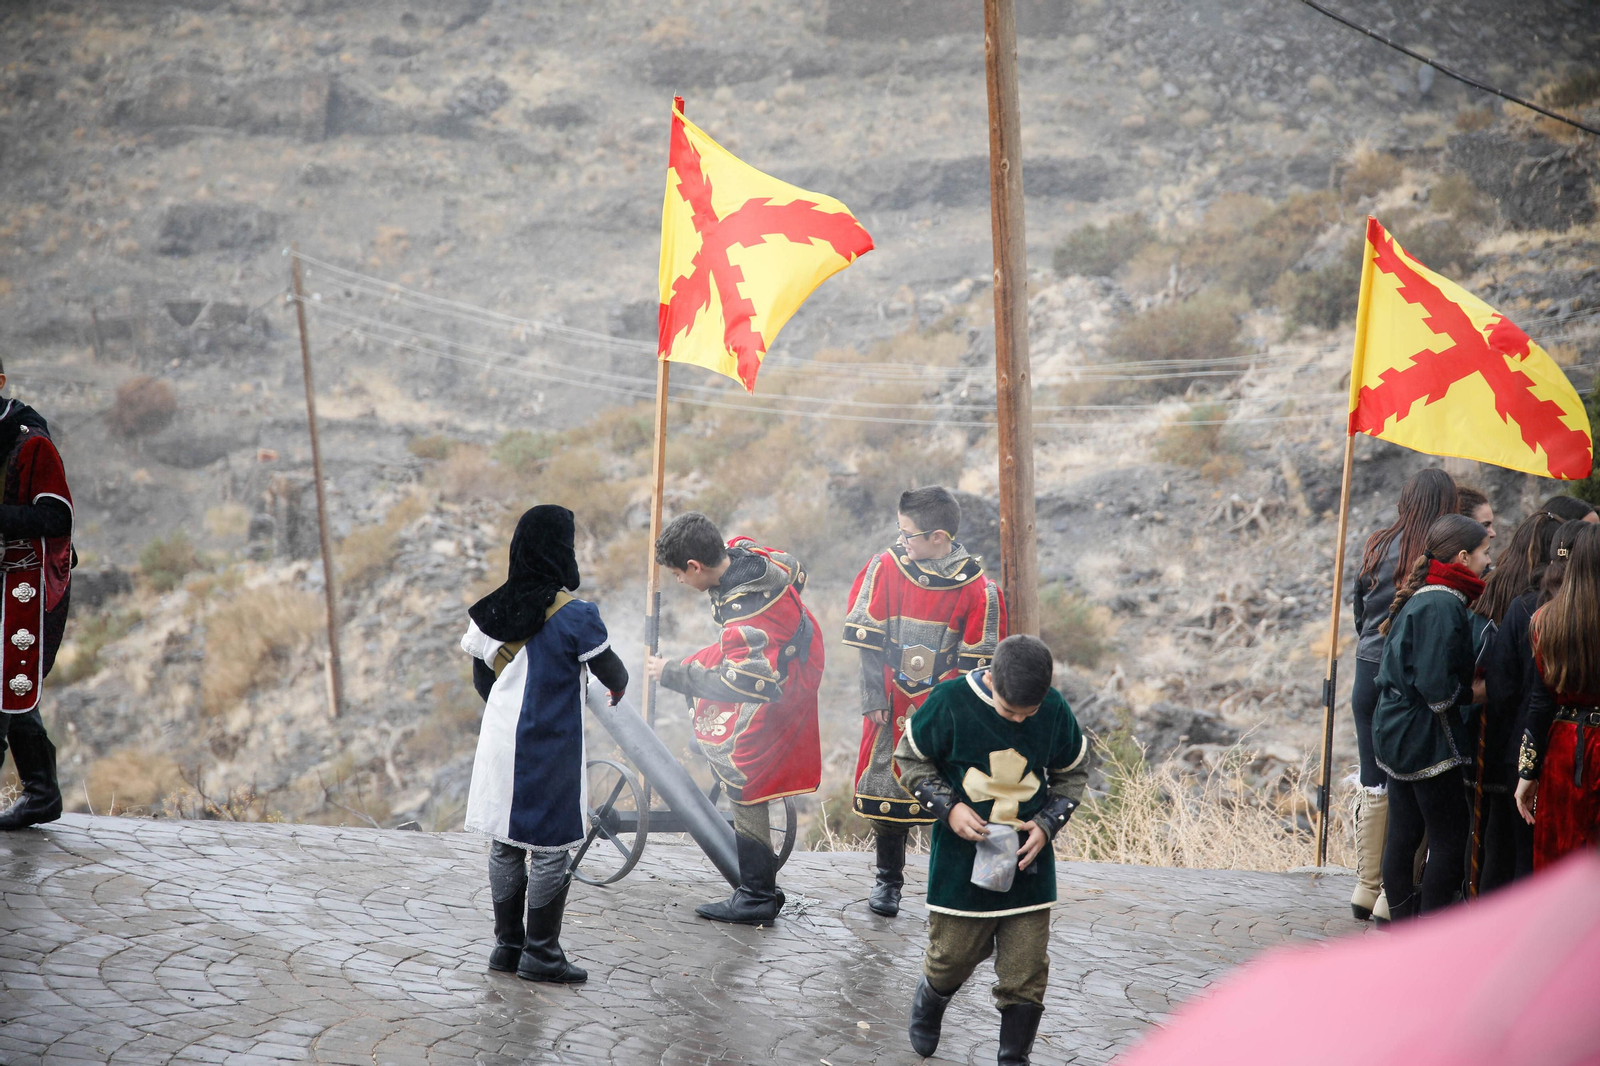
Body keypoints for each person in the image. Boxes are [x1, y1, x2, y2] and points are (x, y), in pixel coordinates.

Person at [895, 634, 1088, 1066]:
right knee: (951, 957)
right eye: (1008, 711)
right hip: (962, 858)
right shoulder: (948, 701)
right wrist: (949, 808)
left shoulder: (1053, 708)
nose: (1019, 720)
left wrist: (1046, 823)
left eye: (1029, 713)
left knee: (1026, 971)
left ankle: (1013, 1058)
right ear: (992, 681)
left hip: (1027, 862)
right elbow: (909, 760)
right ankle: (931, 998)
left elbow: (1072, 773)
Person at [461, 505, 629, 984]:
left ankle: (506, 948)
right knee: (551, 847)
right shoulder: (578, 616)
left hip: (499, 743)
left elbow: (482, 680)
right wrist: (618, 689)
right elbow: (612, 673)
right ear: (561, 552)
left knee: (506, 842)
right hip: (550, 747)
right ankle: (542, 954)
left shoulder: (489, 610)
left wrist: (510, 707)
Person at [646, 511, 824, 925]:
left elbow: (747, 685)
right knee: (697, 669)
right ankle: (704, 739)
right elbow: (794, 570)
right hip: (771, 646)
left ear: (695, 566)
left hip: (786, 674)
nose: (678, 582)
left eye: (677, 574)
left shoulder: (746, 617)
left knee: (742, 768)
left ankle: (757, 896)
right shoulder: (744, 550)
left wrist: (671, 674)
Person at [843, 486, 1006, 917]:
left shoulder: (979, 589)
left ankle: (949, 885)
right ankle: (888, 881)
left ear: (939, 537)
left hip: (945, 705)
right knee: (888, 785)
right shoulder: (885, 569)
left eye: (909, 534)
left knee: (951, 794)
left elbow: (978, 668)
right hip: (891, 699)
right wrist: (873, 695)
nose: (901, 542)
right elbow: (868, 640)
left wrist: (956, 716)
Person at [1346, 468, 1456, 920]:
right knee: (1410, 781)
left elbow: (1359, 610)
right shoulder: (1438, 555)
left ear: (1405, 502)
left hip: (1364, 669)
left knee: (1374, 779)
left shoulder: (1377, 543)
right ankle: (1397, 896)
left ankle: (1365, 887)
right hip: (1405, 681)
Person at [1372, 513, 1492, 919]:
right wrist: (1473, 693)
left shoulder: (1431, 593)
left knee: (1404, 833)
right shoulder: (1442, 602)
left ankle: (1404, 928)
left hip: (1395, 727)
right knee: (1449, 835)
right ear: (1462, 556)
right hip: (1421, 733)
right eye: (1483, 553)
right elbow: (1436, 688)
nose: (1486, 562)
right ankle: (1430, 936)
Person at [0, 372, 75, 832]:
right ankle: (42, 793)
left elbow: (56, 514)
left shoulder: (31, 443)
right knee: (13, 688)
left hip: (22, 584)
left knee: (7, 685)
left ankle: (42, 793)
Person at [1474, 509, 1564, 890]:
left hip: (1516, 740)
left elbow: (1502, 685)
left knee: (1506, 843)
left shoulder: (1523, 606)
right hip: (1560, 744)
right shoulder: (1547, 610)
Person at [1514, 523, 1600, 868]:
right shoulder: (1545, 621)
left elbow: (1541, 702)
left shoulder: (1545, 621)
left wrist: (1527, 773)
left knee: (1562, 859)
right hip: (1572, 751)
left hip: (1566, 748)